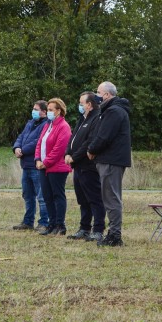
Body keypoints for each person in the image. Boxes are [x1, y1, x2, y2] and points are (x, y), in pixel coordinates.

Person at [87, 81, 131, 247]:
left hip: (111, 160)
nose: (96, 95)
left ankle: (114, 235)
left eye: (98, 92)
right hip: (111, 159)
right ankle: (113, 233)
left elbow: (104, 136)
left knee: (111, 198)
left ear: (106, 95)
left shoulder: (113, 111)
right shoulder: (112, 110)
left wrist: (91, 149)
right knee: (110, 197)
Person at [65, 91, 106, 243]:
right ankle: (84, 228)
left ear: (89, 104)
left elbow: (89, 142)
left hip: (89, 166)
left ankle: (98, 229)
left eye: (81, 103)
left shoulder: (96, 118)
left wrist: (74, 156)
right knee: (82, 199)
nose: (79, 106)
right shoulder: (83, 118)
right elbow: (72, 138)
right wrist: (67, 153)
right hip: (77, 166)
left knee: (94, 199)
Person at [35, 98, 72, 235]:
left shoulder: (64, 127)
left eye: (51, 110)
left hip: (57, 168)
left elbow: (59, 149)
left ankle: (60, 225)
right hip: (44, 167)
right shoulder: (48, 125)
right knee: (47, 196)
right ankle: (51, 224)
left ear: (59, 111)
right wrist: (38, 159)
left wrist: (46, 162)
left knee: (57, 196)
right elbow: (40, 143)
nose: (48, 112)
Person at [12, 100, 49, 232]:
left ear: (44, 112)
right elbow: (21, 137)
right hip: (26, 165)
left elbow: (37, 142)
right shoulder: (30, 123)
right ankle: (28, 221)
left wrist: (23, 150)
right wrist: (16, 147)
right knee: (28, 196)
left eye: (36, 109)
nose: (33, 111)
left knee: (41, 196)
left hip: (36, 165)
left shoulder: (46, 124)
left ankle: (44, 222)